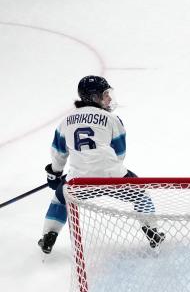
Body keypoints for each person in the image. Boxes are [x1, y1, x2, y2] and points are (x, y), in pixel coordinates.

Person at [38, 76, 165, 254]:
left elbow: (58, 153)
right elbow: (120, 154)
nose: (110, 99)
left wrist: (56, 174)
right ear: (94, 97)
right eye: (106, 95)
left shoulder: (65, 121)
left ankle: (48, 236)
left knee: (60, 199)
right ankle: (152, 231)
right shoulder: (112, 119)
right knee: (140, 193)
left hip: (78, 182)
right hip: (114, 178)